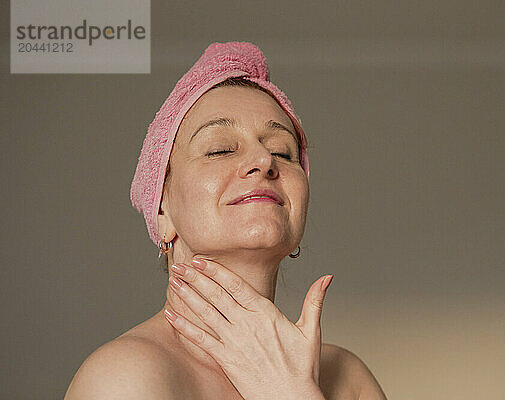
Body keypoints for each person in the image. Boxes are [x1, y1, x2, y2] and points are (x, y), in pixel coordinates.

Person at [65, 41, 387, 400]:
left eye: (283, 151)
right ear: (161, 210)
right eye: (220, 148)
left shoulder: (348, 379)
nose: (265, 161)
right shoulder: (124, 377)